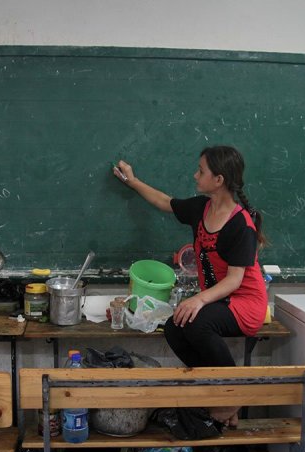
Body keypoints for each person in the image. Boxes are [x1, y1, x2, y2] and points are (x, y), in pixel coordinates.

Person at [114, 145, 267, 427]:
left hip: (245, 301)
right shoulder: (200, 208)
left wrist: (198, 300)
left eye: (201, 170)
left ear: (218, 180)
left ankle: (233, 394)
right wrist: (132, 181)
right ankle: (215, 394)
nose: (195, 175)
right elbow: (164, 201)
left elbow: (235, 280)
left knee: (197, 322)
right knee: (175, 326)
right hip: (219, 299)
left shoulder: (241, 224)